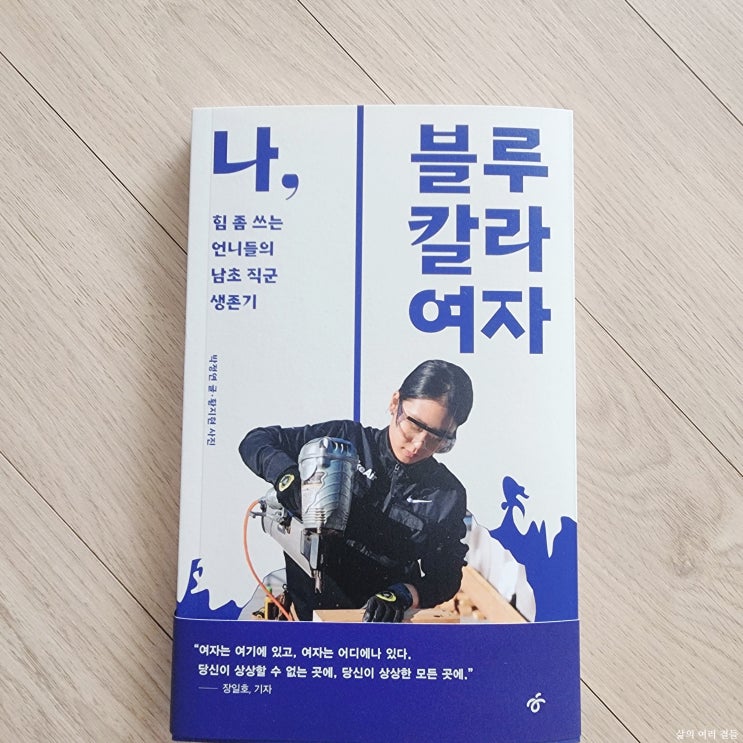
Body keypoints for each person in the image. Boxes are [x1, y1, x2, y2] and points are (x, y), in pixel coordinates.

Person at [238, 359, 473, 622]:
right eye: (414, 425)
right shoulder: (345, 439)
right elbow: (257, 441)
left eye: (435, 437)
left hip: (370, 624)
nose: (418, 444)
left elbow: (445, 576)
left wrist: (403, 594)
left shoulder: (446, 495)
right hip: (297, 610)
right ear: (395, 403)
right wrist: (288, 478)